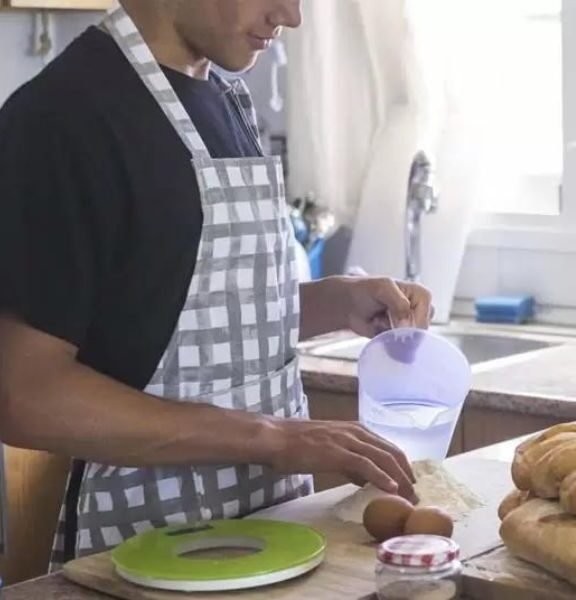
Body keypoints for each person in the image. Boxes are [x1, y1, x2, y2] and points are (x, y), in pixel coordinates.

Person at [0, 0, 427, 567]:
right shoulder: (64, 117)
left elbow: (174, 315)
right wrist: (274, 438)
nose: (290, 15)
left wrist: (338, 301)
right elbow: (26, 395)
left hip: (271, 535)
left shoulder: (224, 98)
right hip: (139, 552)